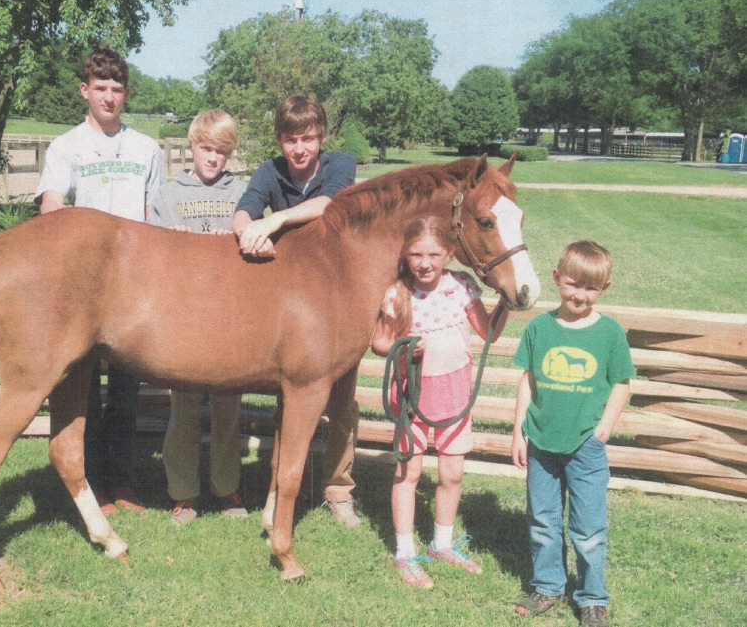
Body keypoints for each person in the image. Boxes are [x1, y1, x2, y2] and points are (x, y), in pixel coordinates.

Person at [35, 47, 165, 516]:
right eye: (100, 89)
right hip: (83, 288)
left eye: (117, 89)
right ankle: (89, 484)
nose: (109, 97)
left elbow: (156, 218)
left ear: (125, 93)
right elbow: (51, 208)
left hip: (134, 290)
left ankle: (123, 481)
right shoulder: (66, 147)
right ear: (84, 91)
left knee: (128, 393)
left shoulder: (146, 149)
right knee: (82, 390)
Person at [231, 95, 362, 526]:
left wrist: (275, 221)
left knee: (341, 402)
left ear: (321, 137)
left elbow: (330, 206)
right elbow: (243, 210)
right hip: (295, 300)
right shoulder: (270, 170)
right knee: (293, 395)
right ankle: (278, 486)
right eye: (291, 140)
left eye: (307, 138)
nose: (299, 149)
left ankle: (338, 489)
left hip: (338, 298)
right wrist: (249, 228)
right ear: (280, 141)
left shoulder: (340, 164)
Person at [371, 216, 507, 588]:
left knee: (452, 474)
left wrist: (507, 301)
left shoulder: (461, 287)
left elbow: (488, 332)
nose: (425, 263)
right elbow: (380, 342)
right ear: (406, 255)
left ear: (449, 253)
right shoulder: (397, 294)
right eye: (415, 254)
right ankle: (404, 552)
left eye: (433, 254)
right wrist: (405, 346)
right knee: (408, 473)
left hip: (454, 393)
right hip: (412, 396)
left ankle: (441, 544)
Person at [511, 241, 635, 627]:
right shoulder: (539, 327)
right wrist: (518, 432)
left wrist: (604, 429)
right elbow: (527, 381)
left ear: (604, 289)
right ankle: (548, 587)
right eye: (572, 284)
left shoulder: (609, 333)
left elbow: (622, 383)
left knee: (589, 527)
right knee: (543, 520)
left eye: (591, 288)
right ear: (556, 279)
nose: (580, 294)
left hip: (585, 446)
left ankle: (593, 598)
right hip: (541, 442)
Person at [148, 109, 249, 525]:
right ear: (192, 147)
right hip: (185, 316)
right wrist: (176, 245)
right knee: (184, 408)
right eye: (206, 149)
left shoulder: (244, 193)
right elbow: (154, 253)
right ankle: (183, 493)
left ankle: (227, 487)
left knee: (228, 407)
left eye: (222, 151)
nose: (213, 158)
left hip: (231, 315)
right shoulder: (168, 196)